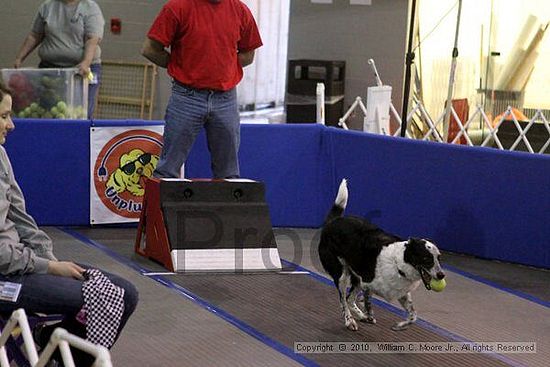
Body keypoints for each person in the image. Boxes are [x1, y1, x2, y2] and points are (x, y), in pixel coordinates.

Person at [0, 80, 138, 365]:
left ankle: (53, 345)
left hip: (24, 265)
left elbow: (21, 218)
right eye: (3, 116)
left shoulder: (0, 154)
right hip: (5, 276)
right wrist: (49, 267)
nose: (11, 125)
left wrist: (47, 258)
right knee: (98, 297)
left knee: (126, 293)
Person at [141, 0, 263, 179]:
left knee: (229, 174)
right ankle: (160, 207)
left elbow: (248, 54)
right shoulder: (177, 7)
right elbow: (149, 49)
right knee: (167, 170)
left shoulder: (240, 10)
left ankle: (225, 207)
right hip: (186, 96)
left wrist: (224, 69)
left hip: (225, 98)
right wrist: (180, 67)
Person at [14, 0, 105, 119]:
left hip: (82, 70)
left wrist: (86, 62)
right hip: (50, 69)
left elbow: (92, 39)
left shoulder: (90, 8)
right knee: (47, 110)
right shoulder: (47, 6)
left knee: (80, 113)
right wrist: (19, 58)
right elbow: (35, 35)